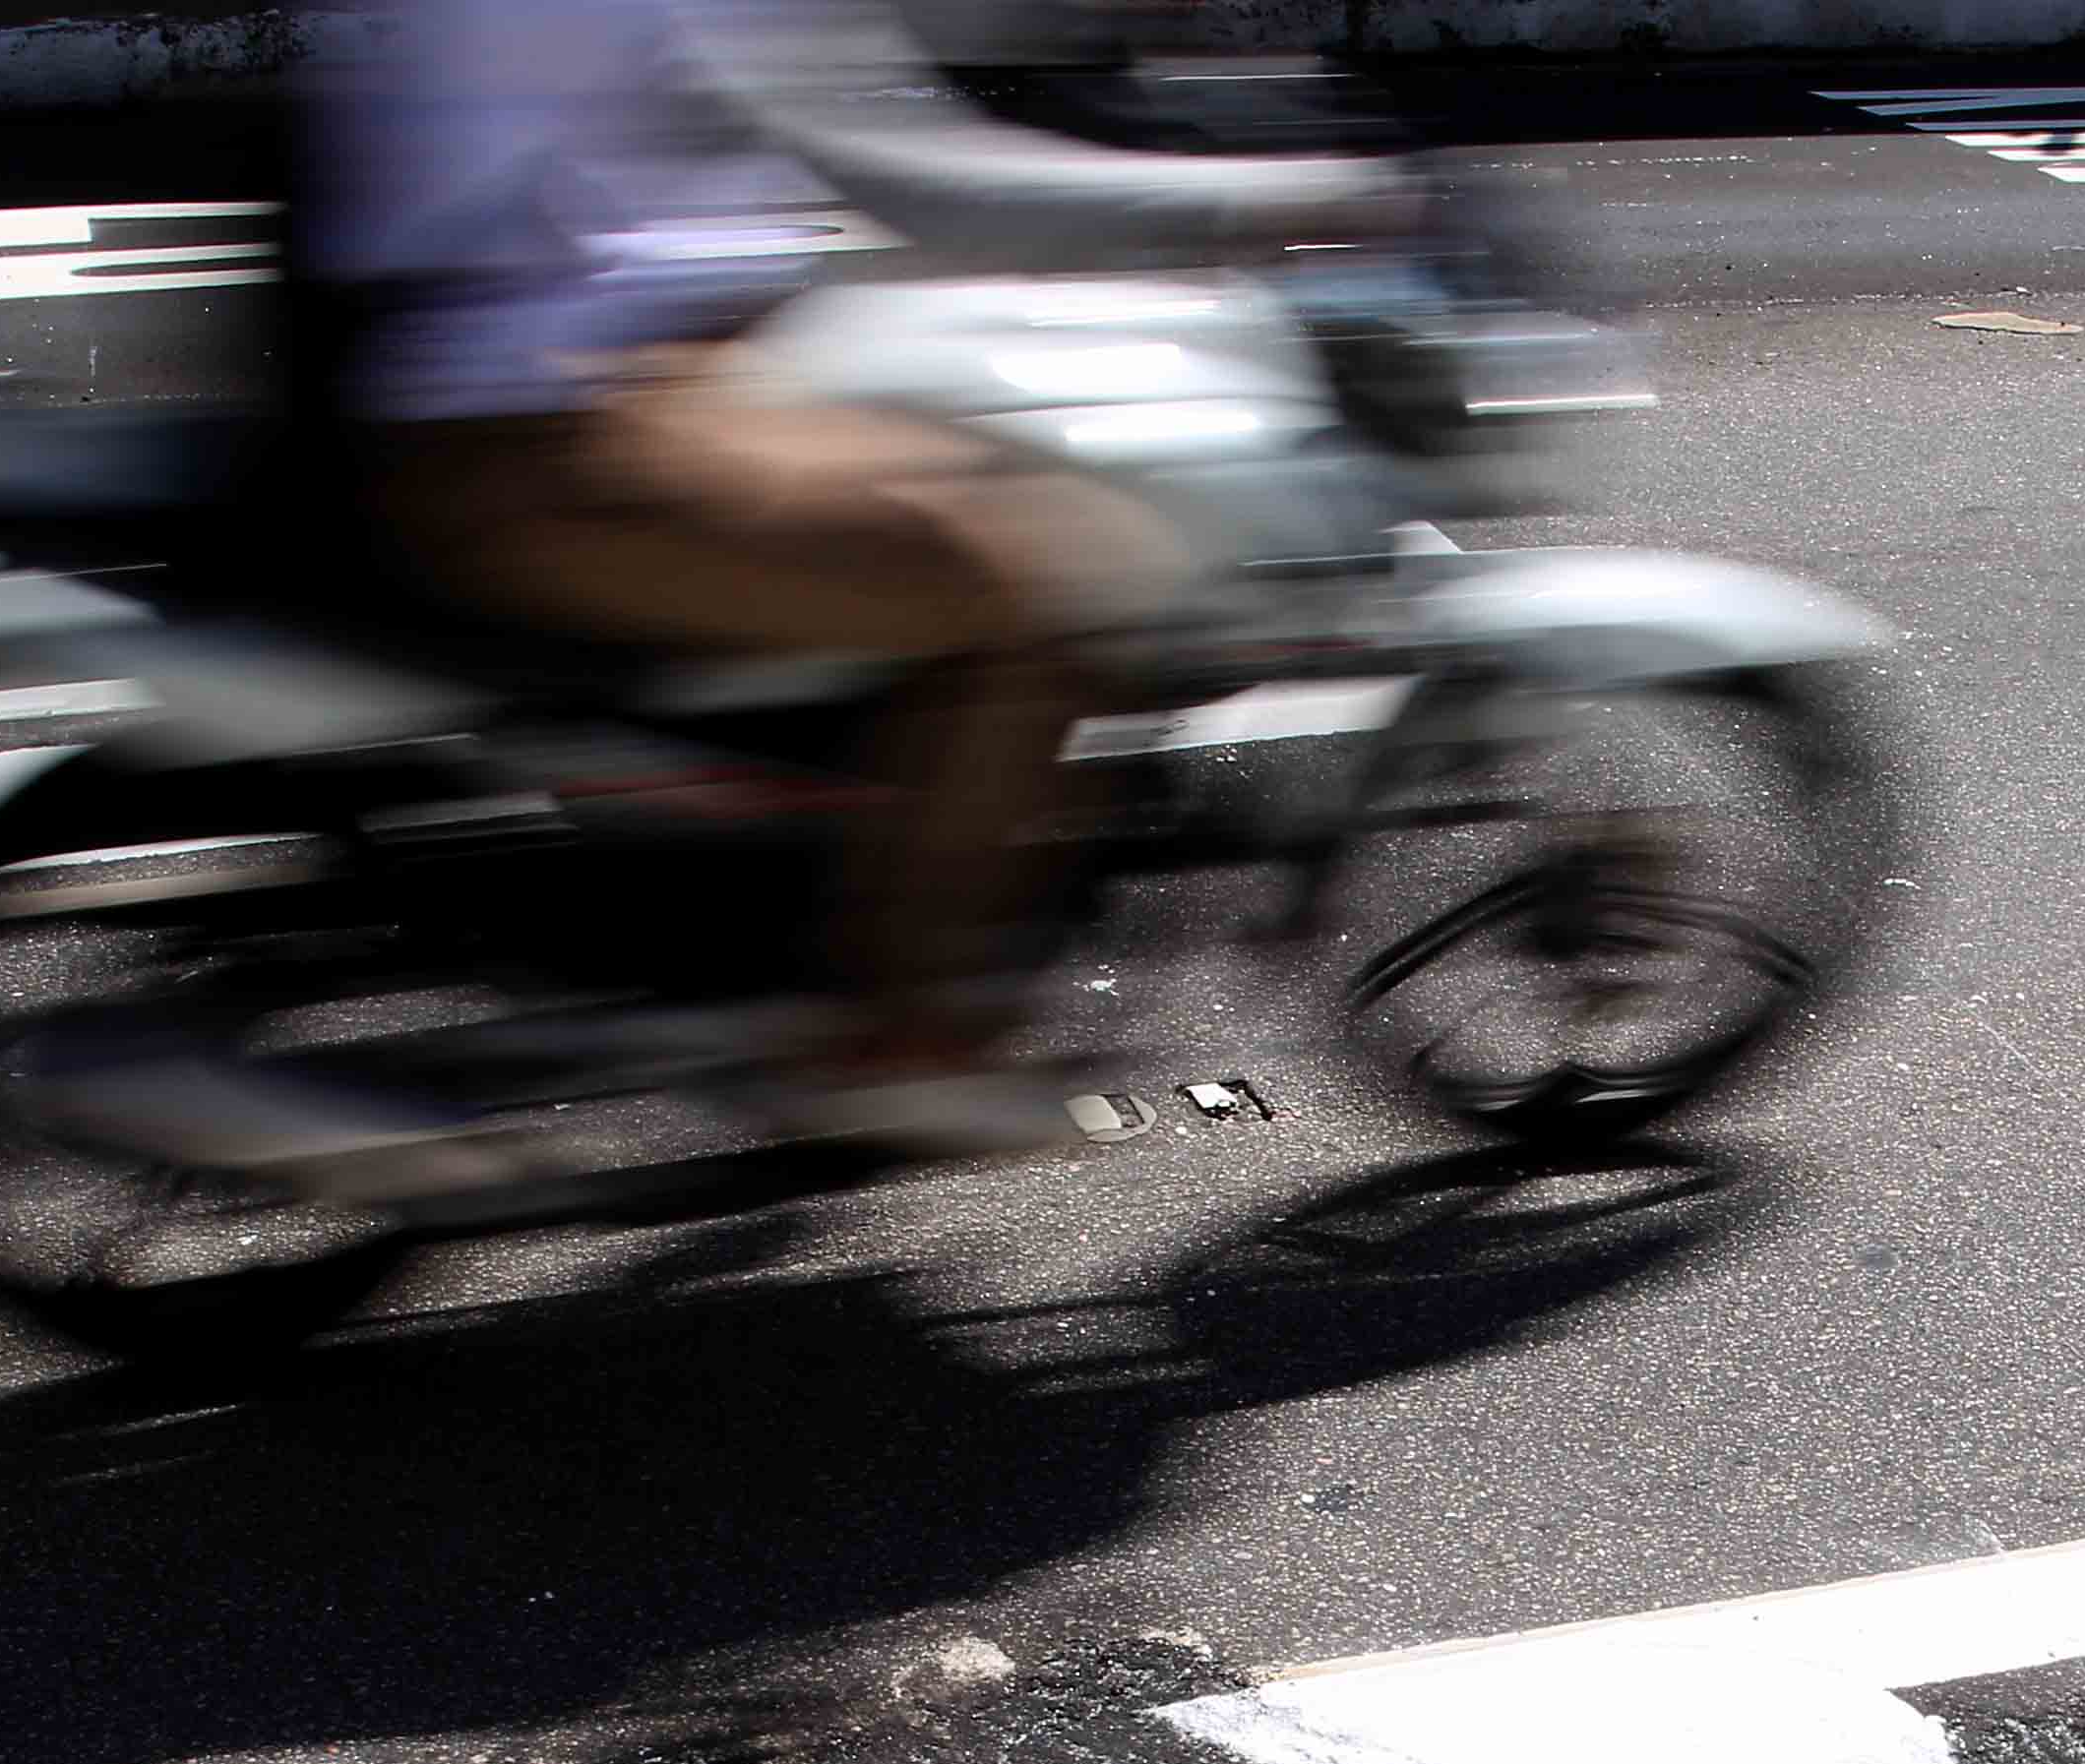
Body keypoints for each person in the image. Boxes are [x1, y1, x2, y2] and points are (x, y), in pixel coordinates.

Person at [294, 0, 1406, 1149]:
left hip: (622, 381)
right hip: (550, 429)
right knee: (1063, 578)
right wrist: (1267, 198)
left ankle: (792, 910)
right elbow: (894, 164)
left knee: (958, 480)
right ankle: (899, 1044)